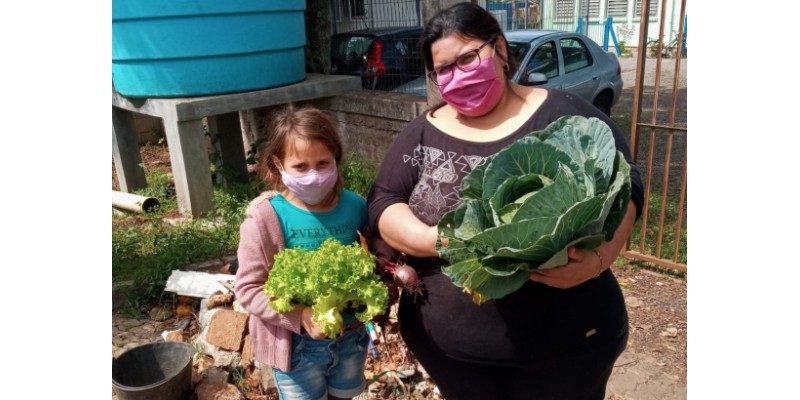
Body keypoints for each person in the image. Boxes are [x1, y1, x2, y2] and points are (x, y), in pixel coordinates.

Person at [366, 3, 645, 400]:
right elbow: (383, 201)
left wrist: (598, 262)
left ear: (498, 48)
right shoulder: (422, 133)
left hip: (567, 352)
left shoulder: (564, 115)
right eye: (443, 69)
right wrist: (442, 240)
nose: (457, 75)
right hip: (452, 356)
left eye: (467, 58)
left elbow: (626, 183)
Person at [235, 105, 370, 400]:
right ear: (278, 163)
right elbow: (247, 288)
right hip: (297, 349)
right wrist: (301, 315)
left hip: (351, 340)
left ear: (336, 158)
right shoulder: (265, 217)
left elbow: (369, 264)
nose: (314, 175)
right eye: (300, 167)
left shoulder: (356, 207)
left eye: (323, 163)